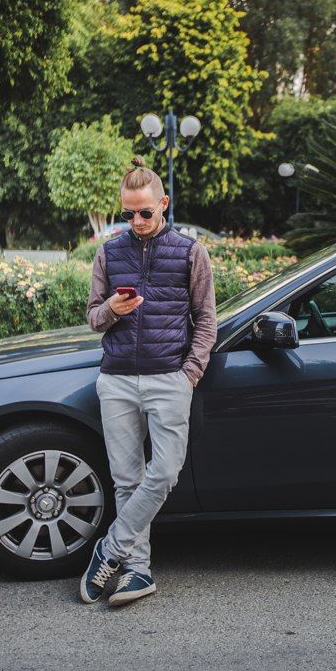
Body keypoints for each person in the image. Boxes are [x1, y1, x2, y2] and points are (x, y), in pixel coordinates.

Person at [79, 156, 217, 606]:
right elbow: (93, 317)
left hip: (168, 378)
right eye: (128, 213)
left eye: (144, 212)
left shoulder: (191, 252)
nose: (136, 221)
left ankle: (111, 549)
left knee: (166, 472)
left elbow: (206, 320)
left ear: (163, 203)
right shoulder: (108, 252)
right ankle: (137, 571)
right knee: (126, 479)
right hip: (117, 380)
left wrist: (188, 374)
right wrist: (111, 311)